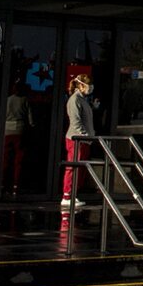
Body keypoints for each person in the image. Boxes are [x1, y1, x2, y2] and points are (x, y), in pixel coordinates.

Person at [61, 73, 94, 208]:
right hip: (77, 139)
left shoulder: (82, 100)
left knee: (80, 169)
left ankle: (73, 194)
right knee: (73, 168)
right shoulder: (74, 99)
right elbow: (75, 121)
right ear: (81, 85)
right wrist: (84, 135)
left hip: (84, 140)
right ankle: (67, 195)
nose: (90, 88)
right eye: (88, 85)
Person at [0, 83, 32, 195]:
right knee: (18, 160)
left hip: (7, 130)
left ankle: (3, 183)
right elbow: (30, 117)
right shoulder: (24, 100)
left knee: (5, 158)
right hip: (20, 129)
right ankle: (15, 185)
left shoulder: (7, 100)